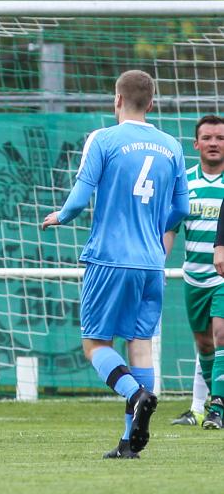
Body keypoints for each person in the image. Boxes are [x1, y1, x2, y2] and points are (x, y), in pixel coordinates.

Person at [42, 70, 189, 459]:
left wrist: (61, 216)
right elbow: (181, 209)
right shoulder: (172, 146)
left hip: (110, 258)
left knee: (94, 343)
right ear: (152, 103)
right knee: (140, 345)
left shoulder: (103, 139)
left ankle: (135, 394)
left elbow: (78, 199)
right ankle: (129, 443)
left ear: (117, 100)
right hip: (151, 262)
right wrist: (156, 232)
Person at [165, 115, 224, 428]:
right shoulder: (185, 183)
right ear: (197, 144)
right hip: (194, 276)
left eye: (220, 138)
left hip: (222, 279)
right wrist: (157, 262)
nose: (214, 143)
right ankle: (201, 408)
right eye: (209, 138)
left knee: (221, 334)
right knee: (204, 344)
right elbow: (171, 229)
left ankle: (218, 409)